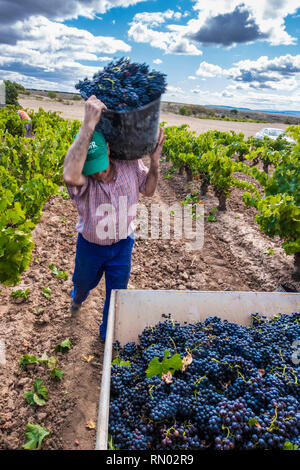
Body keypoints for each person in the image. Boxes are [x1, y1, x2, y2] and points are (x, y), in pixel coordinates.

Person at [63, 95, 165, 341]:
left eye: (100, 163)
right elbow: (69, 174)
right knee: (84, 283)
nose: (97, 172)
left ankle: (106, 336)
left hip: (122, 245)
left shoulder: (129, 166)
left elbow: (149, 190)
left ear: (108, 150)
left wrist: (154, 163)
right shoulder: (82, 181)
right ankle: (78, 298)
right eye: (91, 168)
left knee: (117, 295)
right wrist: (88, 124)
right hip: (90, 246)